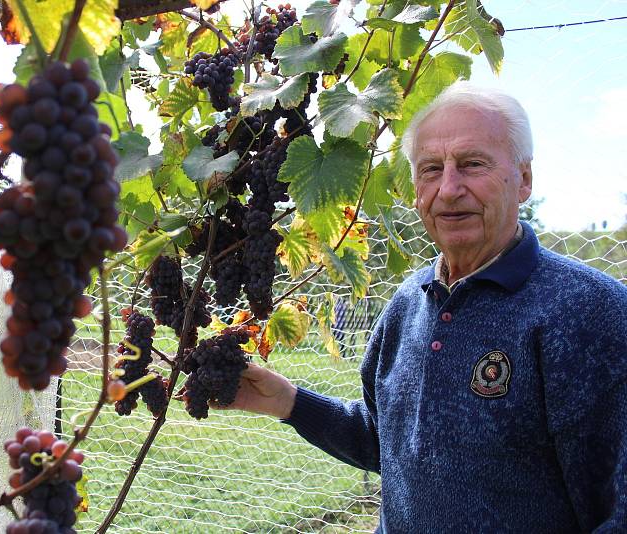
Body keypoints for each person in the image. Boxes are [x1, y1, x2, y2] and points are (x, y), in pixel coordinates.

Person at [226, 82, 627, 532]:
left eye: (472, 165)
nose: (449, 188)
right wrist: (288, 402)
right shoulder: (407, 304)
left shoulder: (591, 312)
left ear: (524, 179)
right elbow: (389, 444)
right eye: (431, 169)